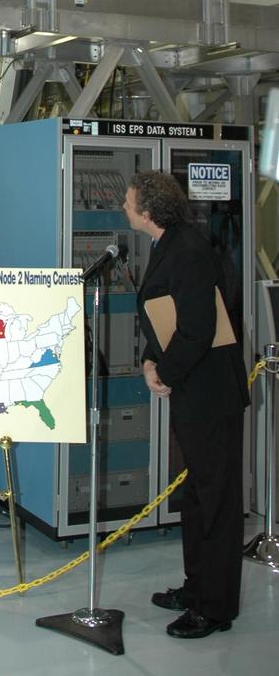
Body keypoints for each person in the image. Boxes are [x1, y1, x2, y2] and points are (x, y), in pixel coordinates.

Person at [123, 170, 249, 639]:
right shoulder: (168, 244)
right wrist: (151, 359)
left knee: (216, 500)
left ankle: (215, 608)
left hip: (210, 393)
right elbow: (164, 318)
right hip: (193, 388)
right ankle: (197, 588)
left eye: (129, 201)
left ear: (148, 210)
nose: (124, 206)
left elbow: (196, 327)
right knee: (196, 497)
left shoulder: (188, 252)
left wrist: (162, 371)